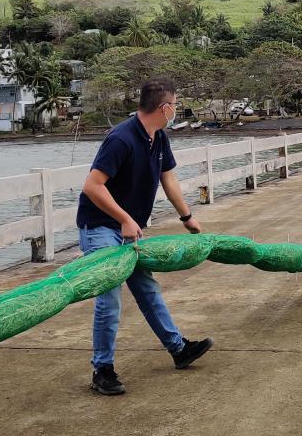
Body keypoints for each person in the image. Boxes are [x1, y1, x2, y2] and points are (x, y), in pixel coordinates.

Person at [75, 79, 213, 396]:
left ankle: (179, 350)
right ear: (164, 108)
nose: (177, 111)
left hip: (129, 228)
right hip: (100, 227)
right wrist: (124, 218)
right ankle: (103, 370)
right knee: (109, 298)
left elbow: (169, 179)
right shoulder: (121, 139)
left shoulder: (159, 137)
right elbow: (92, 186)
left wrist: (188, 217)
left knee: (146, 287)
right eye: (175, 105)